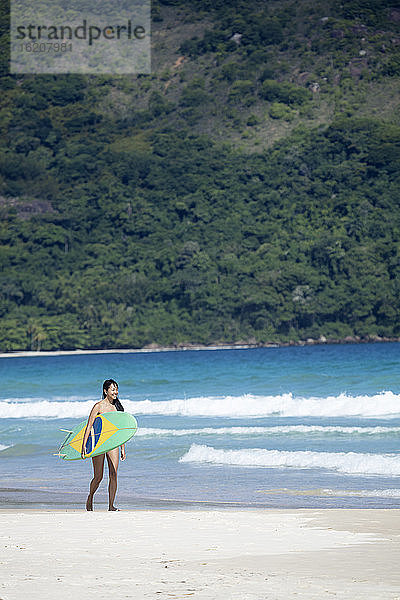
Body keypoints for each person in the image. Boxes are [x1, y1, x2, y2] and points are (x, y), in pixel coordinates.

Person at [81, 379, 126, 511]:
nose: (115, 392)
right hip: (99, 443)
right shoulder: (98, 406)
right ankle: (90, 497)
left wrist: (122, 447)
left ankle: (111, 505)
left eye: (116, 389)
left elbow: (121, 429)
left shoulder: (118, 408)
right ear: (105, 391)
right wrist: (84, 445)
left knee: (114, 474)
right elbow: (89, 426)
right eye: (112, 389)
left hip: (112, 443)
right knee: (98, 476)